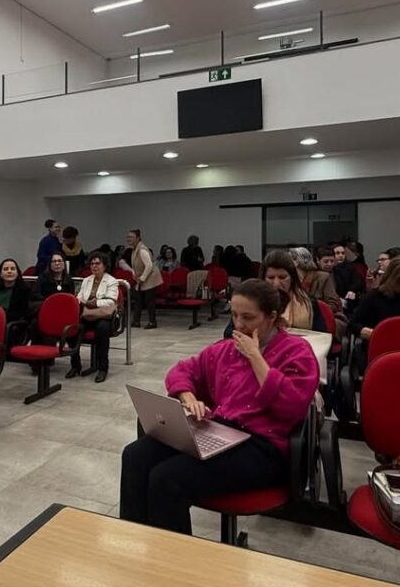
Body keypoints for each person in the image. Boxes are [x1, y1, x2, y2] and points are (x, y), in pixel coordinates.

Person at [119, 279, 319, 535]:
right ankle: (135, 540)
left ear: (271, 317)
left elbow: (290, 407)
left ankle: (171, 564)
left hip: (262, 447)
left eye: (248, 317)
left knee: (167, 479)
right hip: (221, 431)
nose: (239, 324)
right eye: (234, 315)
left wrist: (255, 356)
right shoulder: (226, 349)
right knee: (135, 456)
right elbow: (183, 370)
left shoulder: (296, 351)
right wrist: (187, 396)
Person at [224, 250, 328, 336]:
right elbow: (229, 334)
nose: (276, 284)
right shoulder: (251, 302)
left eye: (282, 277)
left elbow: (322, 335)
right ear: (263, 278)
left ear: (292, 278)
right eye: (271, 278)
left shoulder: (309, 303)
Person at [69, 251, 120, 383]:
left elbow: (111, 301)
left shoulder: (112, 281)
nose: (94, 266)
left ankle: (103, 368)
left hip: (106, 317)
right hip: (87, 316)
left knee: (102, 328)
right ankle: (75, 365)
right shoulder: (86, 280)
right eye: (92, 264)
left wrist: (93, 302)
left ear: (105, 266)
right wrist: (87, 303)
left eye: (97, 263)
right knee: (72, 328)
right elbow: (79, 298)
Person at [290, 246, 343, 317]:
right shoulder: (291, 280)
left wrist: (313, 310)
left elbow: (333, 304)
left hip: (322, 318)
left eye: (289, 260)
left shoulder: (323, 277)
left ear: (297, 262)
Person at [128, 229, 162, 329]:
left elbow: (149, 266)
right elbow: (135, 265)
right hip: (142, 277)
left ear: (138, 238)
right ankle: (136, 321)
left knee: (149, 300)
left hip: (150, 277)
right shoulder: (134, 249)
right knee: (138, 299)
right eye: (128, 237)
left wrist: (142, 278)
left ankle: (152, 322)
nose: (129, 239)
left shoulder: (142, 249)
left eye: (131, 237)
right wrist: (135, 274)